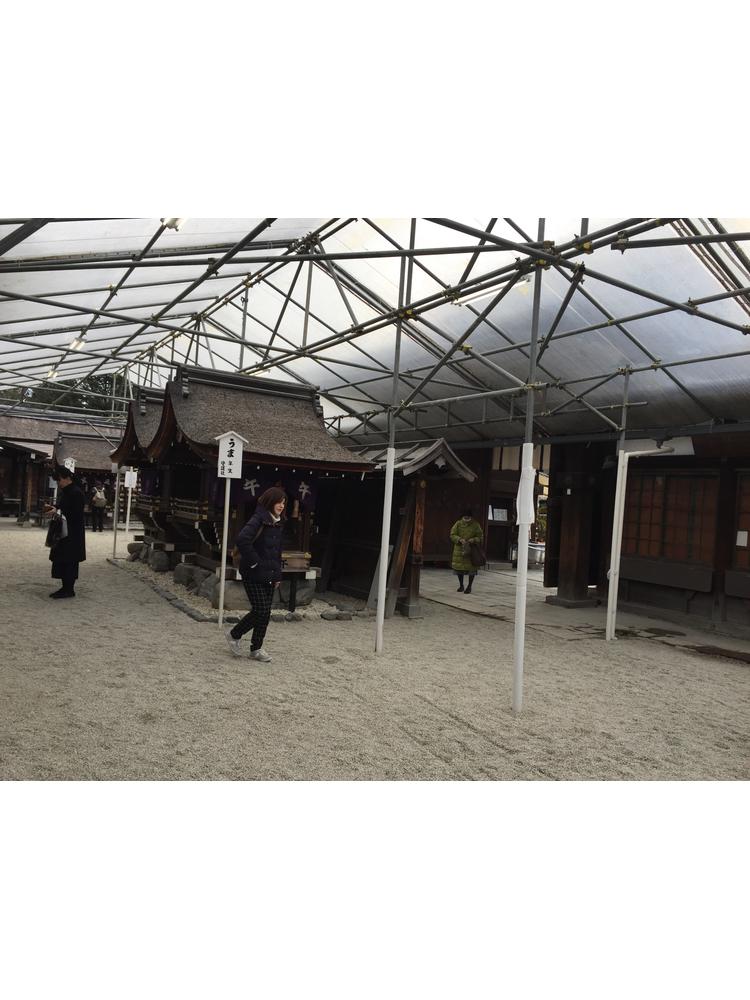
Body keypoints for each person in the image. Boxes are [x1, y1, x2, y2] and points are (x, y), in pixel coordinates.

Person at [225, 486, 286, 662]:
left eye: (283, 503)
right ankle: (234, 634)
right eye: (278, 502)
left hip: (269, 574)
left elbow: (277, 552)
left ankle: (256, 648)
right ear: (270, 501)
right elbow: (242, 540)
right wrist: (255, 562)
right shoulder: (258, 518)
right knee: (261, 609)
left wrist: (277, 575)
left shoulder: (278, 522)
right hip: (253, 573)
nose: (281, 506)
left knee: (265, 613)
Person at [44, 466, 86, 599]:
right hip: (63, 531)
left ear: (67, 478)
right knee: (62, 559)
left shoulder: (76, 492)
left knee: (70, 560)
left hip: (72, 532)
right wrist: (54, 508)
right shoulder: (67, 492)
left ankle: (69, 589)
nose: (58, 483)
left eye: (59, 480)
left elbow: (75, 514)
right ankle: (65, 587)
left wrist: (57, 511)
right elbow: (63, 507)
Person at [449, 507, 483, 594]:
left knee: (472, 570)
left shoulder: (476, 525)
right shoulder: (458, 523)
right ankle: (461, 585)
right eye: (465, 517)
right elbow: (452, 534)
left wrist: (474, 539)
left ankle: (469, 586)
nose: (466, 519)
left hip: (471, 550)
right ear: (462, 516)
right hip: (459, 550)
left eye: (468, 517)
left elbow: (480, 536)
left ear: (471, 517)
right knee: (459, 569)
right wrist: (459, 539)